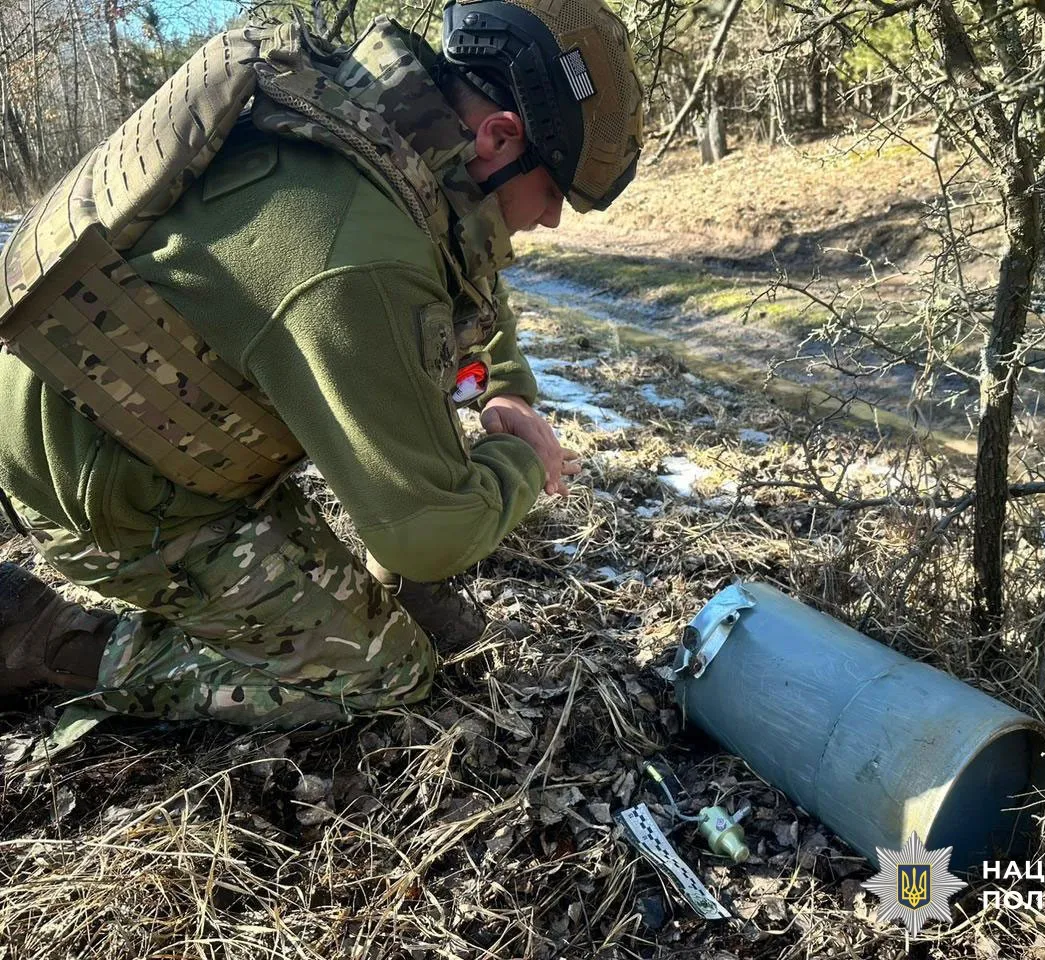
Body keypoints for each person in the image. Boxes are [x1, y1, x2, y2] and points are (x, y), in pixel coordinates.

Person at [0, 0, 644, 726]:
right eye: (553, 192)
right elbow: (427, 534)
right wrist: (523, 462)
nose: (552, 220)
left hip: (102, 410)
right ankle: (48, 640)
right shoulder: (361, 256)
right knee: (384, 671)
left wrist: (509, 390)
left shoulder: (381, 131)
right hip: (107, 484)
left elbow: (470, 282)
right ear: (500, 137)